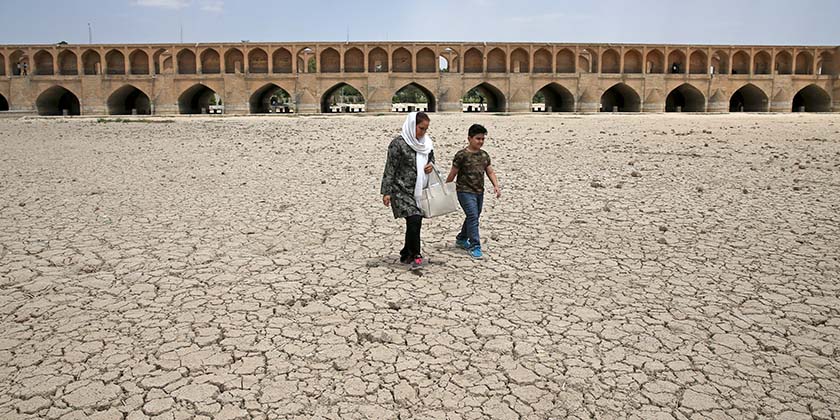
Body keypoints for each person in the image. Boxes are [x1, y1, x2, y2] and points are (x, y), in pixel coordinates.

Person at [381, 112, 435, 270]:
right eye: (420, 128)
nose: (423, 132)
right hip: (401, 190)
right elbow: (390, 168)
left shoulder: (426, 143)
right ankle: (416, 254)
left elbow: (431, 158)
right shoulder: (398, 144)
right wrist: (387, 192)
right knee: (415, 219)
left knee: (414, 221)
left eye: (425, 129)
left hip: (419, 189)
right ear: (413, 125)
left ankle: (406, 252)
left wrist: (431, 164)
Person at [445, 124, 501, 259]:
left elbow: (490, 171)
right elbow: (453, 173)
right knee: (472, 216)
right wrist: (446, 188)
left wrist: (496, 185)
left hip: (479, 191)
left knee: (474, 216)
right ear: (469, 138)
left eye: (482, 139)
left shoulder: (484, 155)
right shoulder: (461, 155)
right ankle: (475, 245)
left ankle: (461, 238)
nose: (480, 141)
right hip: (464, 191)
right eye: (478, 139)